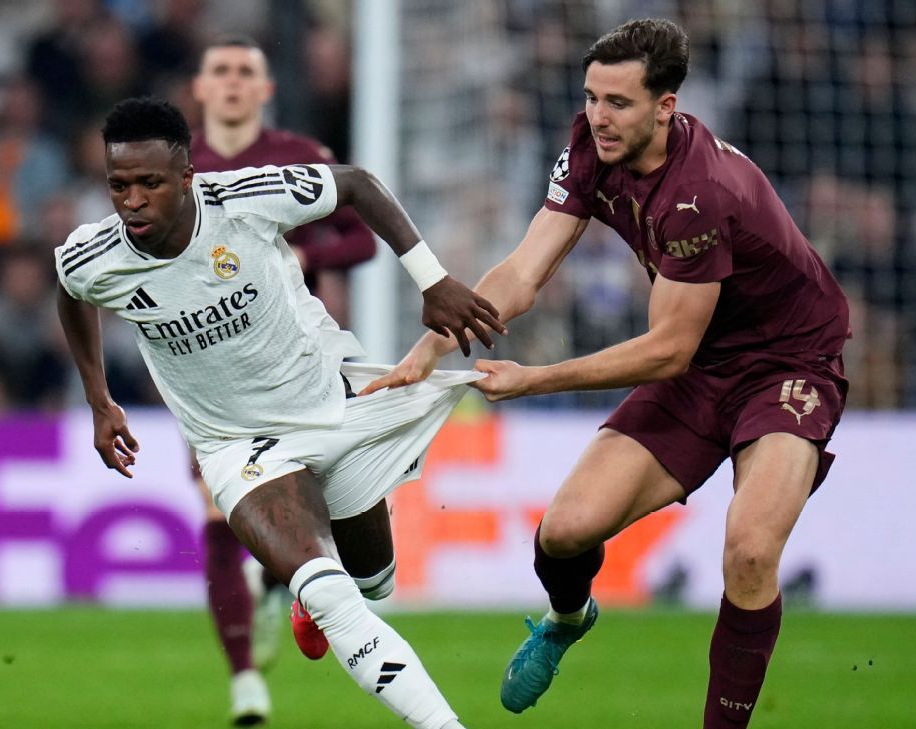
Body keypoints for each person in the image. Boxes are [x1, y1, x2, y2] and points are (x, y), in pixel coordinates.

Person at [362, 19, 850, 729]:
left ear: (665, 106)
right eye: (591, 97)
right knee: (564, 533)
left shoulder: (698, 192)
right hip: (701, 367)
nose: (598, 116)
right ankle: (568, 618)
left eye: (618, 102)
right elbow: (523, 272)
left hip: (787, 366)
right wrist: (433, 346)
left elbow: (666, 350)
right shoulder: (592, 147)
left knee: (749, 551)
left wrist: (532, 380)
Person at [55, 96, 504, 729]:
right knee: (335, 597)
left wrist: (431, 280)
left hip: (332, 407)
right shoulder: (94, 255)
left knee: (375, 583)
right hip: (236, 445)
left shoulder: (245, 200)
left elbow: (356, 183)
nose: (132, 201)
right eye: (118, 185)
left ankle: (298, 592)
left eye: (149, 183)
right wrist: (98, 399)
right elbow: (72, 294)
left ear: (187, 177)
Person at [186, 34, 379, 725]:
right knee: (218, 509)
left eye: (246, 71)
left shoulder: (298, 156)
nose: (233, 81)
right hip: (208, 369)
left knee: (307, 505)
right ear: (200, 88)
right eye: (221, 70)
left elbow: (361, 235)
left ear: (265, 90)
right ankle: (244, 679)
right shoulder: (178, 166)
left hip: (298, 362)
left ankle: (278, 583)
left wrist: (305, 252)